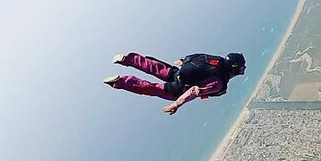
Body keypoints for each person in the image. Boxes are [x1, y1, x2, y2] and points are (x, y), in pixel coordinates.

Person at [103, 52, 246, 115]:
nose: (243, 69)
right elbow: (194, 91)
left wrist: (183, 61)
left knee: (154, 66)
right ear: (235, 68)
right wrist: (177, 104)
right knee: (150, 88)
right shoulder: (219, 83)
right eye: (242, 67)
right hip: (178, 90)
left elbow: (200, 57)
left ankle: (127, 59)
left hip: (179, 73)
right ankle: (119, 82)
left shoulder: (217, 62)